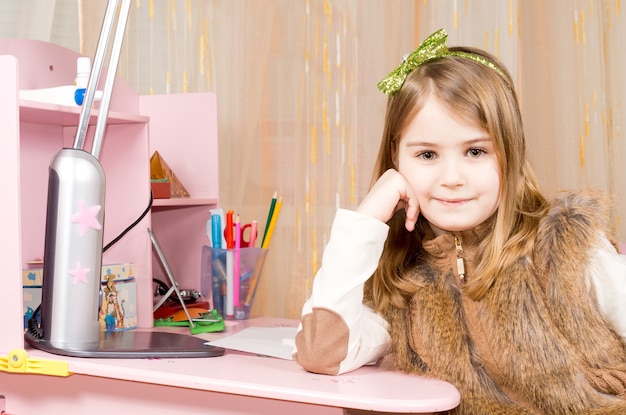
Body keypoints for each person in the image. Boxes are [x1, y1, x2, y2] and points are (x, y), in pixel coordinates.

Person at [292, 29, 626, 414]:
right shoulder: (401, 275)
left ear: (509, 154)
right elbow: (322, 353)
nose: (452, 177)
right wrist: (366, 220)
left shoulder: (568, 246)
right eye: (427, 155)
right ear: (395, 159)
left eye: (475, 151)